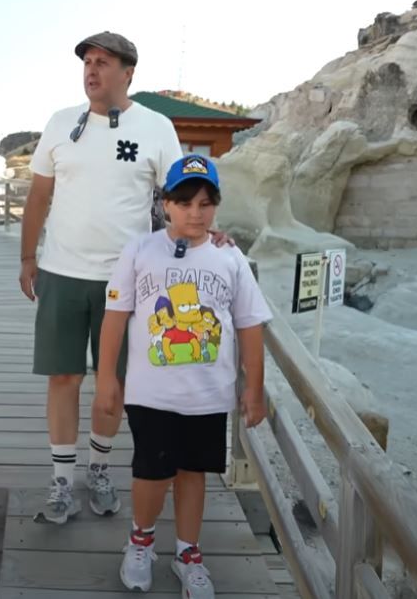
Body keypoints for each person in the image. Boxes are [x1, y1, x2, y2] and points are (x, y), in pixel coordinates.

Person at [18, 31, 194, 523]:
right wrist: (28, 257)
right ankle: (61, 479)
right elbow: (39, 196)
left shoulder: (156, 127)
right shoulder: (60, 123)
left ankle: (97, 468)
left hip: (127, 279)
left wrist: (205, 239)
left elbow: (181, 196)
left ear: (128, 73)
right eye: (87, 62)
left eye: (103, 62)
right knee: (63, 376)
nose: (91, 70)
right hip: (60, 271)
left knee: (112, 381)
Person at [95, 154, 271, 597]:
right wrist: (106, 378)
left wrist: (254, 388)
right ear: (166, 204)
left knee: (194, 473)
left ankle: (188, 552)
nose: (196, 212)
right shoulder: (140, 250)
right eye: (185, 202)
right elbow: (115, 316)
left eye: (206, 203)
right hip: (151, 393)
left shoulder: (230, 256)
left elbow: (250, 324)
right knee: (152, 473)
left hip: (209, 395)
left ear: (217, 206)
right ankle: (141, 541)